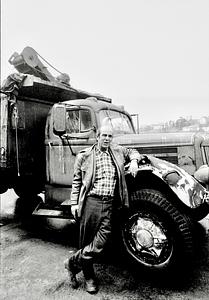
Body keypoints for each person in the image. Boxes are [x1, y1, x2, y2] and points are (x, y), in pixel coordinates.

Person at [64, 125, 142, 294]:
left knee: (101, 242)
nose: (107, 138)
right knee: (86, 241)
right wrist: (74, 203)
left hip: (109, 204)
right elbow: (77, 181)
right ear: (97, 137)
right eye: (104, 135)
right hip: (91, 203)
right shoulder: (85, 156)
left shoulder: (117, 151)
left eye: (110, 136)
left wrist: (135, 161)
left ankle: (71, 263)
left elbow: (133, 151)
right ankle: (89, 278)